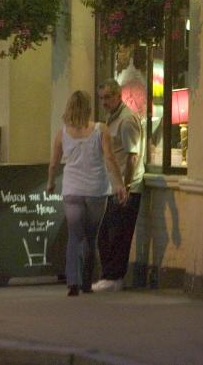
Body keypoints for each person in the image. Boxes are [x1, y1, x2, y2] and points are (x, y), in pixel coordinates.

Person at [47, 90, 127, 296]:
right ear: (89, 108)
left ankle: (73, 283)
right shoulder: (101, 129)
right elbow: (110, 158)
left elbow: (54, 162)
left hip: (72, 190)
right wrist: (119, 184)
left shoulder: (62, 133)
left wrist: (50, 183)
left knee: (74, 235)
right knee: (91, 237)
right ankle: (87, 282)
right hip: (96, 191)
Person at [93, 79, 145, 292]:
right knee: (106, 233)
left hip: (125, 187)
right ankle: (109, 275)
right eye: (101, 98)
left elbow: (132, 156)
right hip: (114, 186)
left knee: (117, 234)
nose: (104, 102)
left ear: (118, 96)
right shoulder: (111, 119)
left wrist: (127, 186)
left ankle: (114, 277)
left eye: (108, 97)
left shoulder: (126, 121)